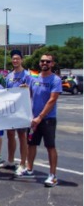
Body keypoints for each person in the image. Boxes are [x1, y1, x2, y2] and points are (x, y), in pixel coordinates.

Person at [17, 54, 62, 187]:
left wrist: (40, 117)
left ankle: (52, 175)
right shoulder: (33, 79)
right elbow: (28, 95)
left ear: (52, 64)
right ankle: (29, 169)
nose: (44, 63)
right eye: (42, 61)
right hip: (33, 119)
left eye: (47, 61)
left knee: (50, 147)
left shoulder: (55, 80)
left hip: (47, 120)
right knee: (31, 144)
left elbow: (52, 100)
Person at [4, 50, 31, 174]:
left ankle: (23, 163)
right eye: (13, 59)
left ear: (21, 60)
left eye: (17, 59)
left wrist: (27, 89)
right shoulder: (9, 76)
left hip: (23, 111)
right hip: (11, 110)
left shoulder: (27, 75)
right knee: (10, 135)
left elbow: (32, 92)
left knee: (22, 137)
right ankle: (10, 160)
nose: (15, 61)